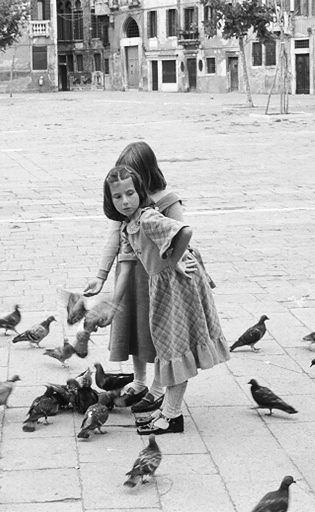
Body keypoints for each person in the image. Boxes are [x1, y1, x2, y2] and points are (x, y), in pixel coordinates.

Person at [85, 142, 215, 415]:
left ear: (145, 173)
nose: (124, 194)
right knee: (134, 330)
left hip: (160, 276)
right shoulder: (125, 201)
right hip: (132, 271)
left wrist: (176, 260)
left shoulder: (164, 200)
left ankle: (158, 388)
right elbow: (115, 238)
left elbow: (183, 234)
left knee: (158, 336)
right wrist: (101, 275)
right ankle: (139, 381)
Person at [102, 165, 229, 435]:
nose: (125, 201)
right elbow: (125, 266)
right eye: (117, 196)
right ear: (109, 200)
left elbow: (184, 231)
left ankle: (173, 415)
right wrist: (112, 307)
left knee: (175, 350)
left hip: (178, 288)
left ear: (140, 192)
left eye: (130, 193)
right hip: (163, 290)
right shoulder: (129, 226)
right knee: (168, 350)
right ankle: (169, 410)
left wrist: (172, 262)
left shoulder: (148, 218)